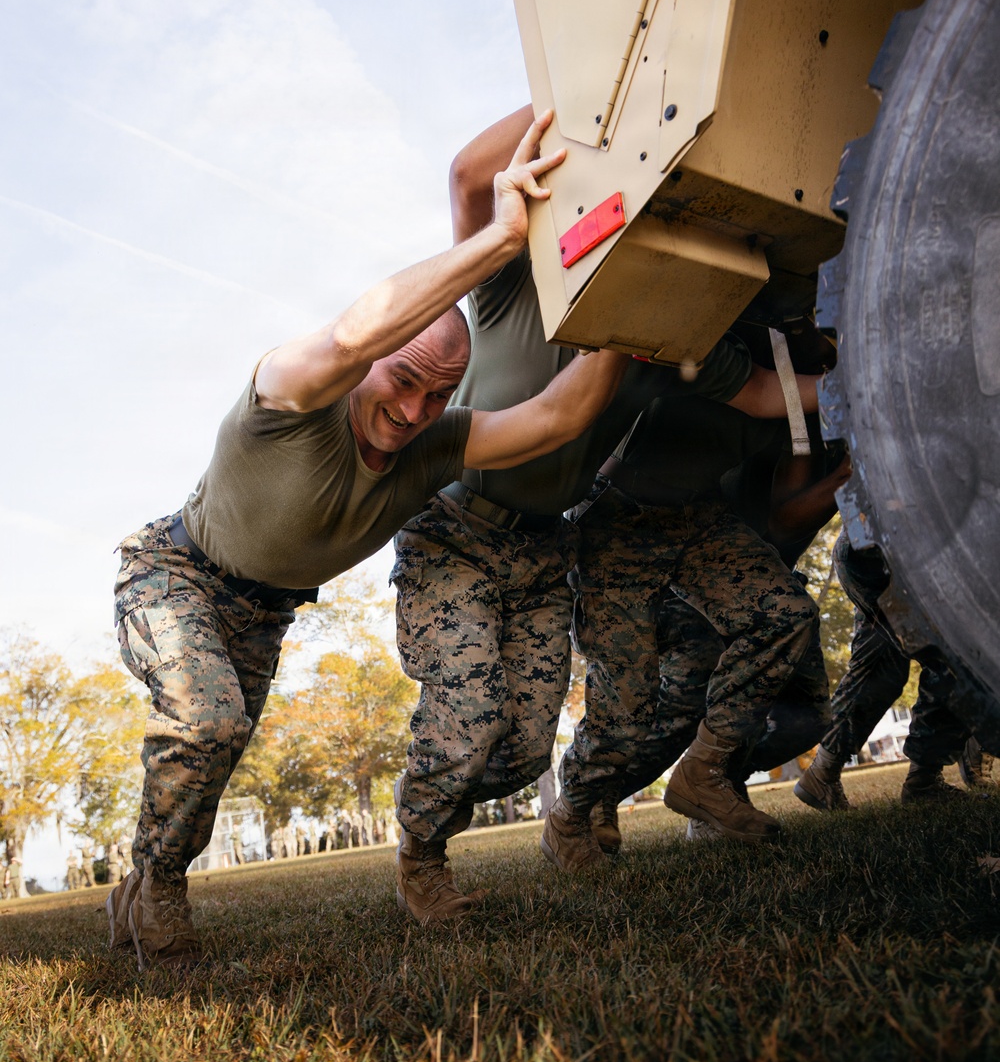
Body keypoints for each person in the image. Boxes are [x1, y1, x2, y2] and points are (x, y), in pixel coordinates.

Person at [105, 113, 628, 969]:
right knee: (206, 722)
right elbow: (352, 336)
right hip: (173, 574)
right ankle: (155, 881)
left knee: (216, 748)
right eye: (404, 379)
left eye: (439, 393)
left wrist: (621, 303)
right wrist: (499, 241)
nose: (414, 410)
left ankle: (157, 871)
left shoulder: (429, 449)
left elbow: (559, 414)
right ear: (371, 365)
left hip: (263, 613)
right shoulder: (292, 394)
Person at [392, 108, 825, 923]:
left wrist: (863, 379)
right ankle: (423, 852)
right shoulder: (522, 277)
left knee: (520, 749)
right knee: (470, 721)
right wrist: (582, 88)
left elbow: (764, 393)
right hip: (459, 526)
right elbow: (465, 177)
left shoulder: (669, 336)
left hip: (545, 546)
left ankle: (548, 793)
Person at [544, 362, 829, 872]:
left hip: (699, 515)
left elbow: (789, 502)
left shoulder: (811, 372)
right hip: (619, 513)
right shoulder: (732, 328)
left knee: (786, 615)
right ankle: (572, 814)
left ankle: (706, 770)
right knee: (627, 704)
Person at [795, 532, 975, 809]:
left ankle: (822, 772)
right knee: (955, 658)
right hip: (902, 548)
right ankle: (924, 782)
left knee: (881, 665)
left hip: (861, 542)